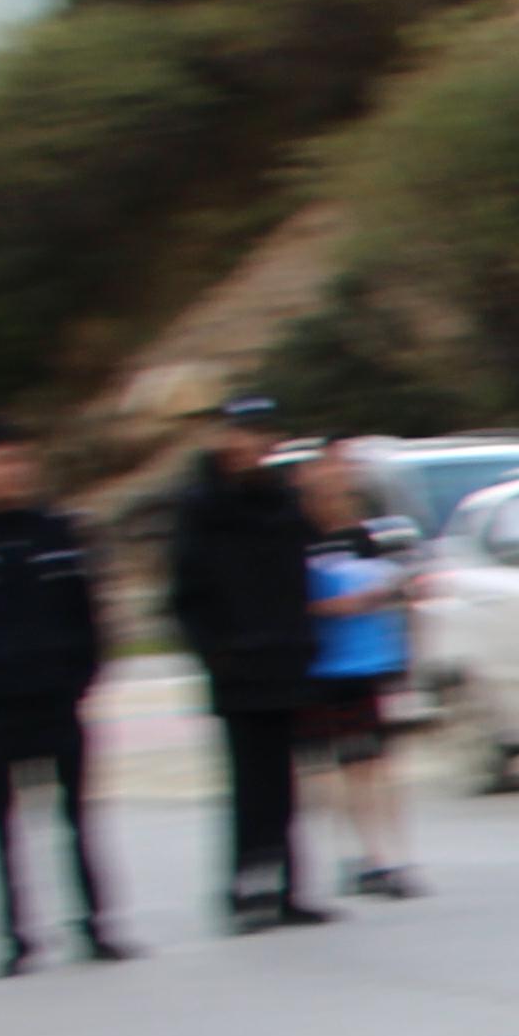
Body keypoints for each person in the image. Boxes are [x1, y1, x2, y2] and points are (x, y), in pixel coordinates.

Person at [0, 419, 121, 976]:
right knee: (0, 828)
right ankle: (14, 938)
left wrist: (81, 677)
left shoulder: (58, 533)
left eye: (13, 460)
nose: (4, 473)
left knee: (78, 819)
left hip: (57, 699)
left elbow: (89, 611)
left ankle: (95, 925)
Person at [165, 394, 327, 931]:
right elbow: (185, 594)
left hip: (286, 658)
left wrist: (304, 641)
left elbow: (305, 571)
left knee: (285, 783)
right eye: (243, 434)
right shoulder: (202, 505)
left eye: (263, 435)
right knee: (248, 782)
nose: (254, 446)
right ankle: (244, 888)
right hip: (236, 664)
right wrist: (215, 652)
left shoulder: (283, 501)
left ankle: (287, 887)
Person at [294, 454, 422, 903]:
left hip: (369, 664)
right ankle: (350, 854)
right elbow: (286, 603)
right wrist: (337, 608)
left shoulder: (367, 536)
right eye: (324, 489)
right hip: (318, 666)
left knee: (373, 764)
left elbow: (403, 587)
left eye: (341, 488)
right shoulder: (297, 540)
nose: (335, 496)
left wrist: (398, 596)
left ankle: (387, 856)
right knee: (327, 771)